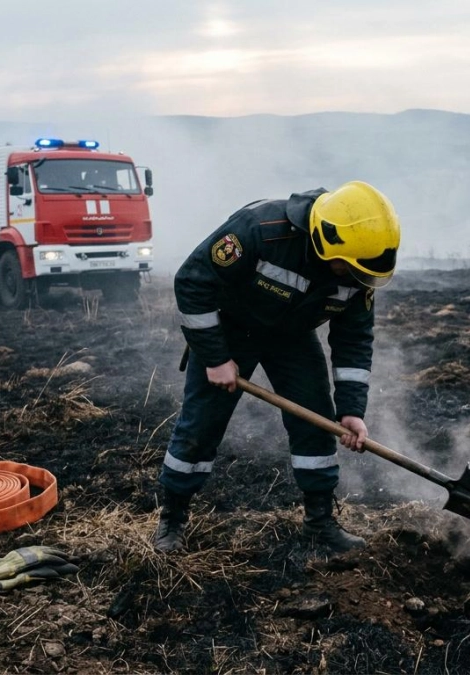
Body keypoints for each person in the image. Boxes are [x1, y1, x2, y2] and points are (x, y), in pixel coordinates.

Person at [155, 181, 400, 554]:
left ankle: (320, 522)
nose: (355, 277)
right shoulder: (258, 229)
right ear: (325, 242)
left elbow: (353, 341)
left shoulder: (358, 268)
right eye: (349, 268)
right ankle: (172, 519)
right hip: (229, 330)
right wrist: (215, 358)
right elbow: (192, 282)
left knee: (317, 421)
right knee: (200, 425)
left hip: (291, 337)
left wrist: (351, 410)